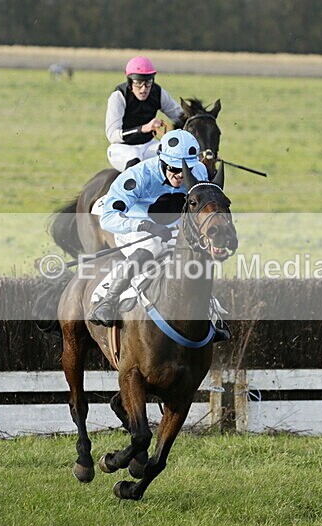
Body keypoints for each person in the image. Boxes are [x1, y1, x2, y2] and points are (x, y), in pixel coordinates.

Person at [88, 129, 206, 327]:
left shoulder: (199, 172)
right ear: (162, 161)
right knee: (152, 245)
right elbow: (108, 218)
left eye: (186, 170)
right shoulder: (137, 177)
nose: (180, 176)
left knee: (195, 256)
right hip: (135, 229)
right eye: (174, 168)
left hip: (174, 229)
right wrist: (145, 225)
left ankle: (211, 311)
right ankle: (107, 301)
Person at [105, 56, 184, 172]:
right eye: (138, 83)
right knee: (134, 159)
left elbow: (180, 115)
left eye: (148, 83)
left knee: (173, 157)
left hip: (148, 145)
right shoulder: (118, 96)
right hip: (122, 148)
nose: (143, 89)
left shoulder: (158, 92)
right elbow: (112, 135)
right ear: (130, 81)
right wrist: (144, 128)